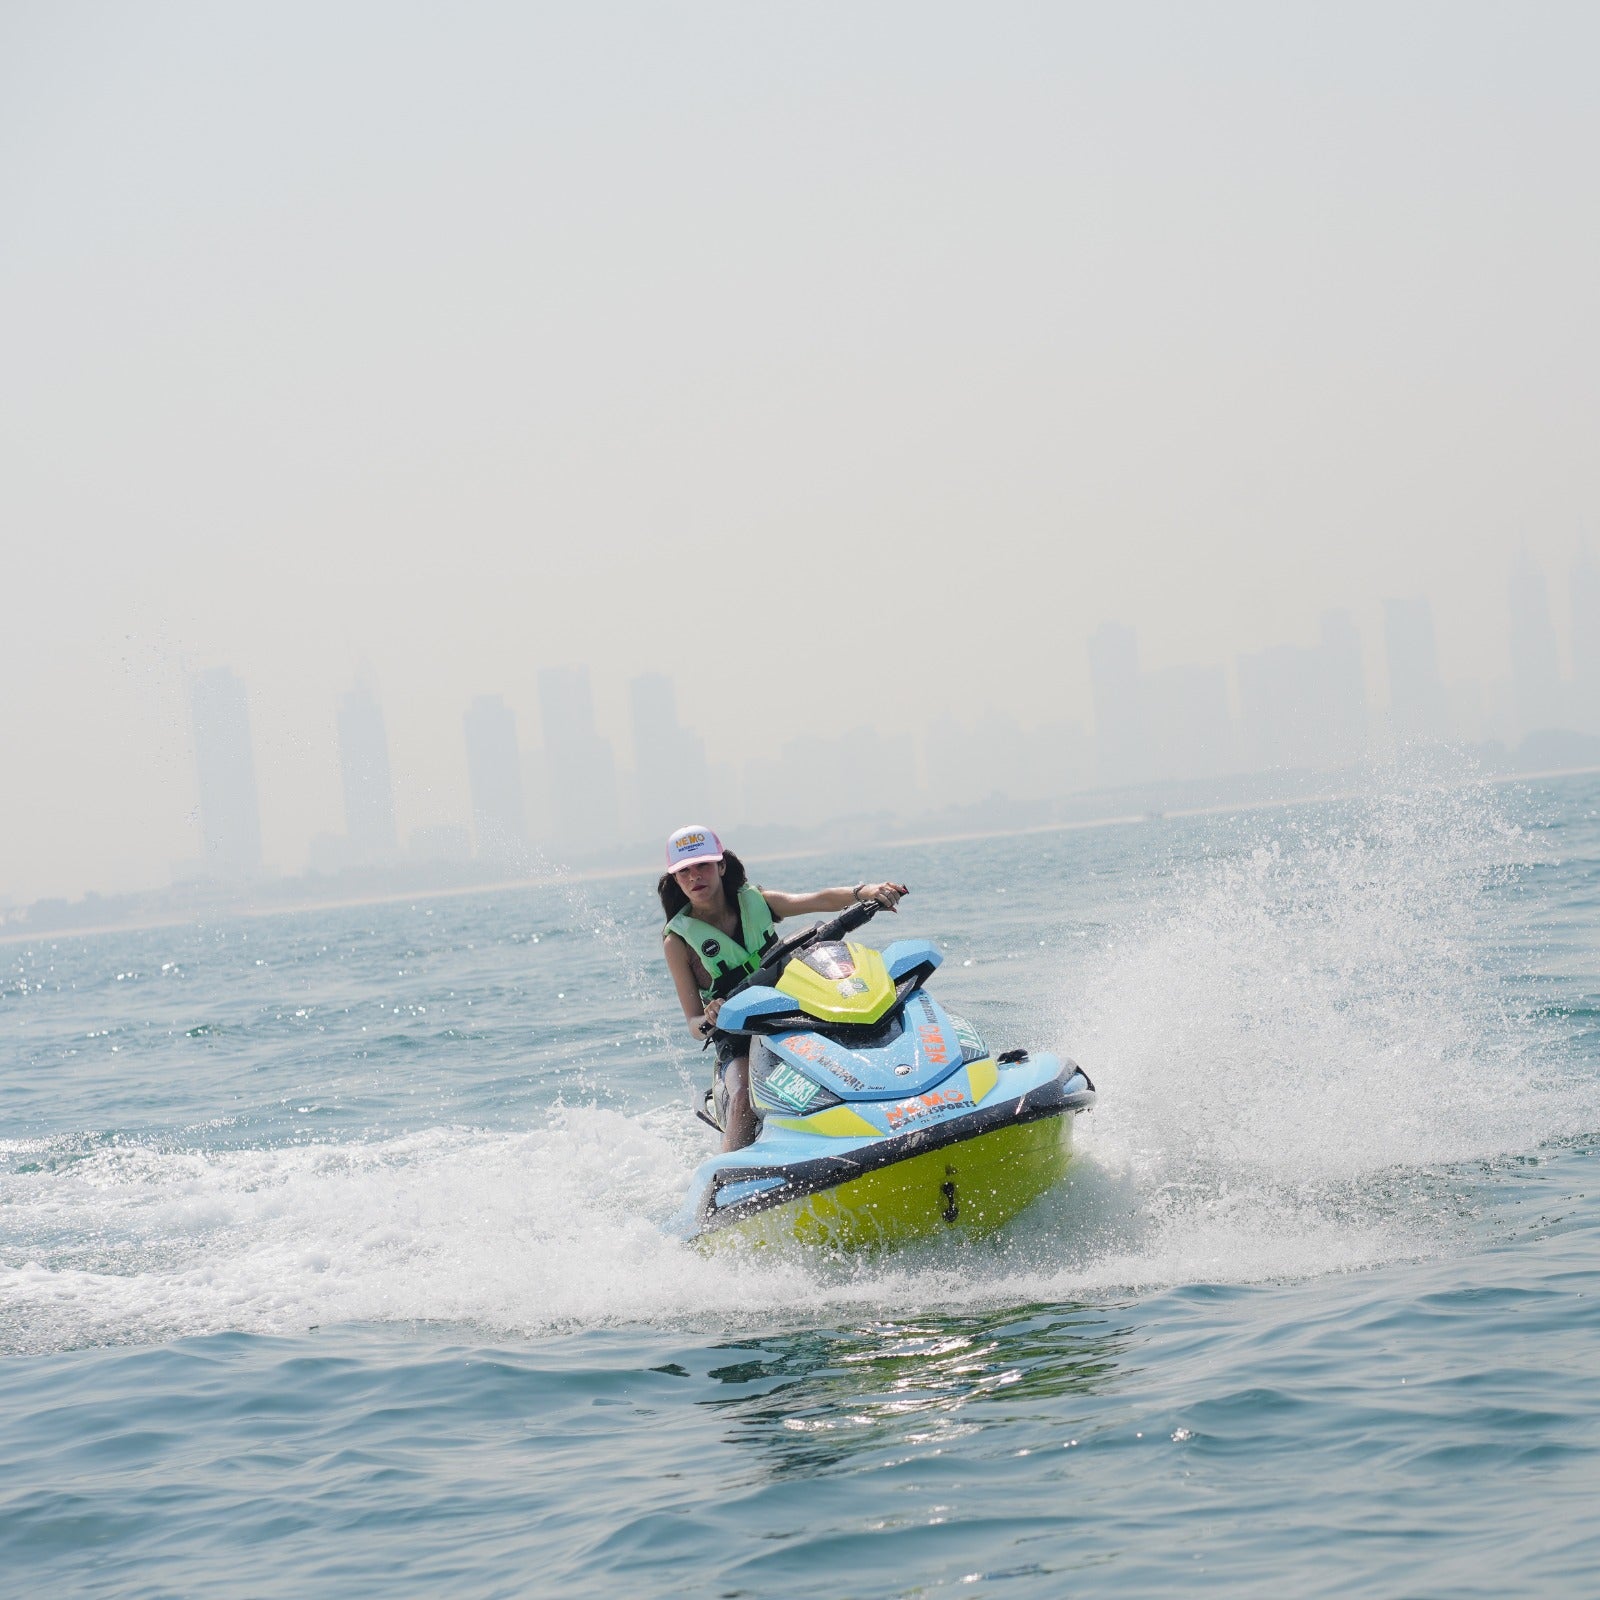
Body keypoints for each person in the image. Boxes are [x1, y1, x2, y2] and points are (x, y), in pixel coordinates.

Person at [659, 824, 908, 1152]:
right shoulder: (677, 941)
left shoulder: (756, 901)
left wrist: (864, 893)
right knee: (744, 1094)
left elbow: (816, 899)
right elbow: (693, 1024)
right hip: (737, 1033)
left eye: (702, 865)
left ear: (720, 865)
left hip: (792, 1009)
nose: (695, 877)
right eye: (684, 872)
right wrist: (710, 1016)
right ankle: (726, 1184)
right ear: (676, 880)